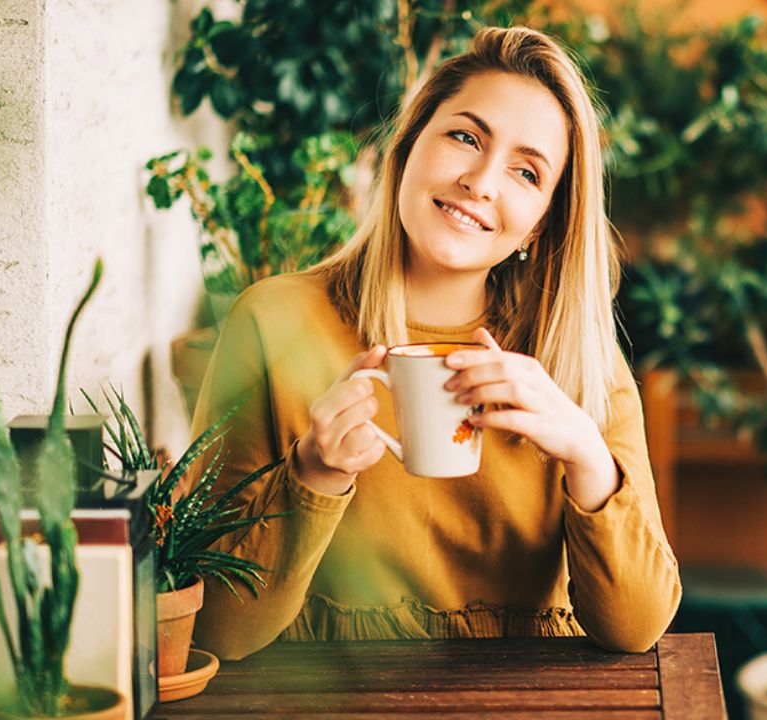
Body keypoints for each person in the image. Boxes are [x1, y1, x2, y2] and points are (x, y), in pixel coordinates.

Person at [189, 26, 681, 660]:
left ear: (543, 222)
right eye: (465, 137)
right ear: (408, 148)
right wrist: (314, 473)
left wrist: (587, 456)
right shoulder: (273, 323)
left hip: (532, 701)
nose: (481, 181)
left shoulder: (580, 359)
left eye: (526, 172)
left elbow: (637, 628)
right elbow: (217, 632)